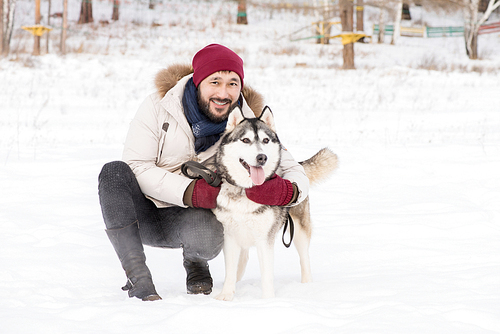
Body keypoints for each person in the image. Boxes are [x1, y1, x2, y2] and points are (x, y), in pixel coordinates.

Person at [98, 44, 310, 301]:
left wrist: (291, 190)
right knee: (113, 173)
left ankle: (196, 263)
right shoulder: (158, 106)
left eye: (233, 83)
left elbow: (291, 166)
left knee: (215, 225)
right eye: (215, 81)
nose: (223, 92)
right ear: (198, 82)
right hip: (144, 214)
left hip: (193, 220)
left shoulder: (245, 119)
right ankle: (138, 276)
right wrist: (190, 191)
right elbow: (136, 165)